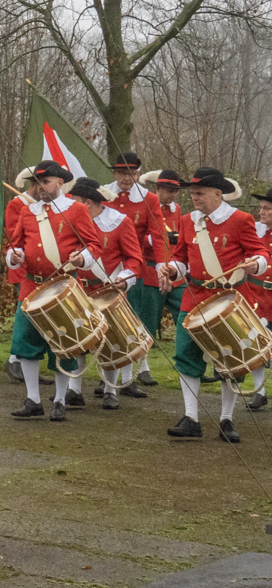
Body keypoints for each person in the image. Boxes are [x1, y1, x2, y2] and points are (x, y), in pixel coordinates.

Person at [161, 169, 269, 442]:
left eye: (200, 193)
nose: (194, 198)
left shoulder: (240, 219)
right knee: (186, 355)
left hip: (229, 299)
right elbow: (181, 259)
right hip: (195, 297)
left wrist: (256, 263)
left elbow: (260, 252)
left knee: (231, 358)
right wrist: (172, 270)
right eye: (193, 194)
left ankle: (226, 419)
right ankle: (191, 418)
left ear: (218, 194)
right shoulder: (188, 221)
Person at [4, 161, 102, 421]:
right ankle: (33, 399)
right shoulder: (28, 211)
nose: (40, 187)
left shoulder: (77, 210)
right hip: (31, 285)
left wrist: (83, 258)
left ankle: (59, 400)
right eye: (36, 183)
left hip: (63, 286)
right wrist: (14, 256)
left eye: (45, 182)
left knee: (64, 344)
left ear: (60, 182)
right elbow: (15, 244)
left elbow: (93, 244)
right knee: (25, 342)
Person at [65, 177, 143, 409]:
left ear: (87, 203)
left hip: (109, 289)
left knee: (112, 341)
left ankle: (110, 390)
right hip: (79, 288)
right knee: (78, 338)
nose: (72, 206)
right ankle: (74, 389)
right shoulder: (72, 221)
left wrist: (124, 279)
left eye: (76, 202)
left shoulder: (119, 222)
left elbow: (134, 258)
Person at [98, 154, 170, 397]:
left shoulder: (149, 199)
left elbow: (158, 235)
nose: (126, 178)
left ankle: (127, 379)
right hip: (104, 268)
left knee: (130, 322)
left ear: (138, 174)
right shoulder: (103, 194)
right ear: (114, 173)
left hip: (131, 269)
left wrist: (162, 266)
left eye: (132, 173)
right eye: (122, 173)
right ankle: (106, 377)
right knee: (105, 323)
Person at [142, 169, 188, 386]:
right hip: (152, 268)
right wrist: (154, 239)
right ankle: (143, 367)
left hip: (174, 271)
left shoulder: (176, 210)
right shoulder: (146, 205)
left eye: (175, 191)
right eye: (169, 190)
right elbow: (134, 236)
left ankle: (191, 362)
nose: (172, 195)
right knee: (149, 319)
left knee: (187, 315)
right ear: (158, 188)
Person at [3, 167, 39, 384]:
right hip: (22, 268)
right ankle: (14, 359)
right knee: (24, 314)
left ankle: (26, 361)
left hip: (39, 269)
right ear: (33, 184)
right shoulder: (17, 205)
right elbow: (14, 236)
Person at [247, 189, 272, 411]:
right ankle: (259, 392)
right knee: (257, 342)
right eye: (261, 208)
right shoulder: (254, 230)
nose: (261, 212)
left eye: (267, 209)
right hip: (256, 295)